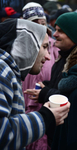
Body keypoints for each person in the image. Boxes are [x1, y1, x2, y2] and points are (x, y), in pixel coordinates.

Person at [0, 18, 70, 149]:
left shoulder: (7, 70)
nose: (49, 56)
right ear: (25, 44)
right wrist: (46, 117)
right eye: (44, 47)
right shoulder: (2, 71)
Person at [24, 12, 77, 109]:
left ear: (74, 34)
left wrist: (46, 93)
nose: (54, 34)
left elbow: (75, 97)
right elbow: (59, 84)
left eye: (60, 31)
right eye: (55, 30)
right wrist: (46, 85)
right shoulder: (64, 55)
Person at [22, 2, 59, 150]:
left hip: (44, 104)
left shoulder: (53, 45)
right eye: (34, 23)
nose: (39, 26)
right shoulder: (21, 47)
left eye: (42, 22)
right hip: (25, 105)